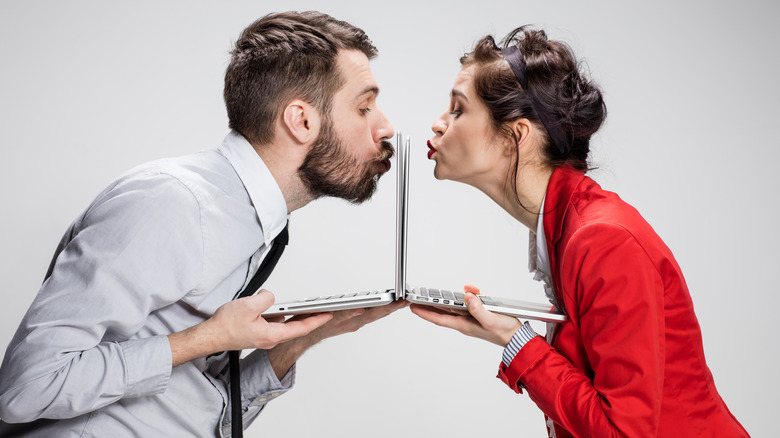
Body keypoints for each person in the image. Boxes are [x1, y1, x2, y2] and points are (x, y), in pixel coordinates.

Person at [0, 11, 405, 437]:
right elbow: (25, 388)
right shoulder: (170, 205)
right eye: (363, 107)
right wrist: (203, 340)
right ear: (301, 120)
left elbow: (197, 408)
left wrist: (300, 338)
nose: (385, 127)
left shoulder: (256, 222)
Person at [412, 26, 749, 437]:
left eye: (459, 109)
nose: (438, 123)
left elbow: (621, 432)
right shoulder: (569, 232)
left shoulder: (604, 240)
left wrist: (517, 340)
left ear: (515, 136)